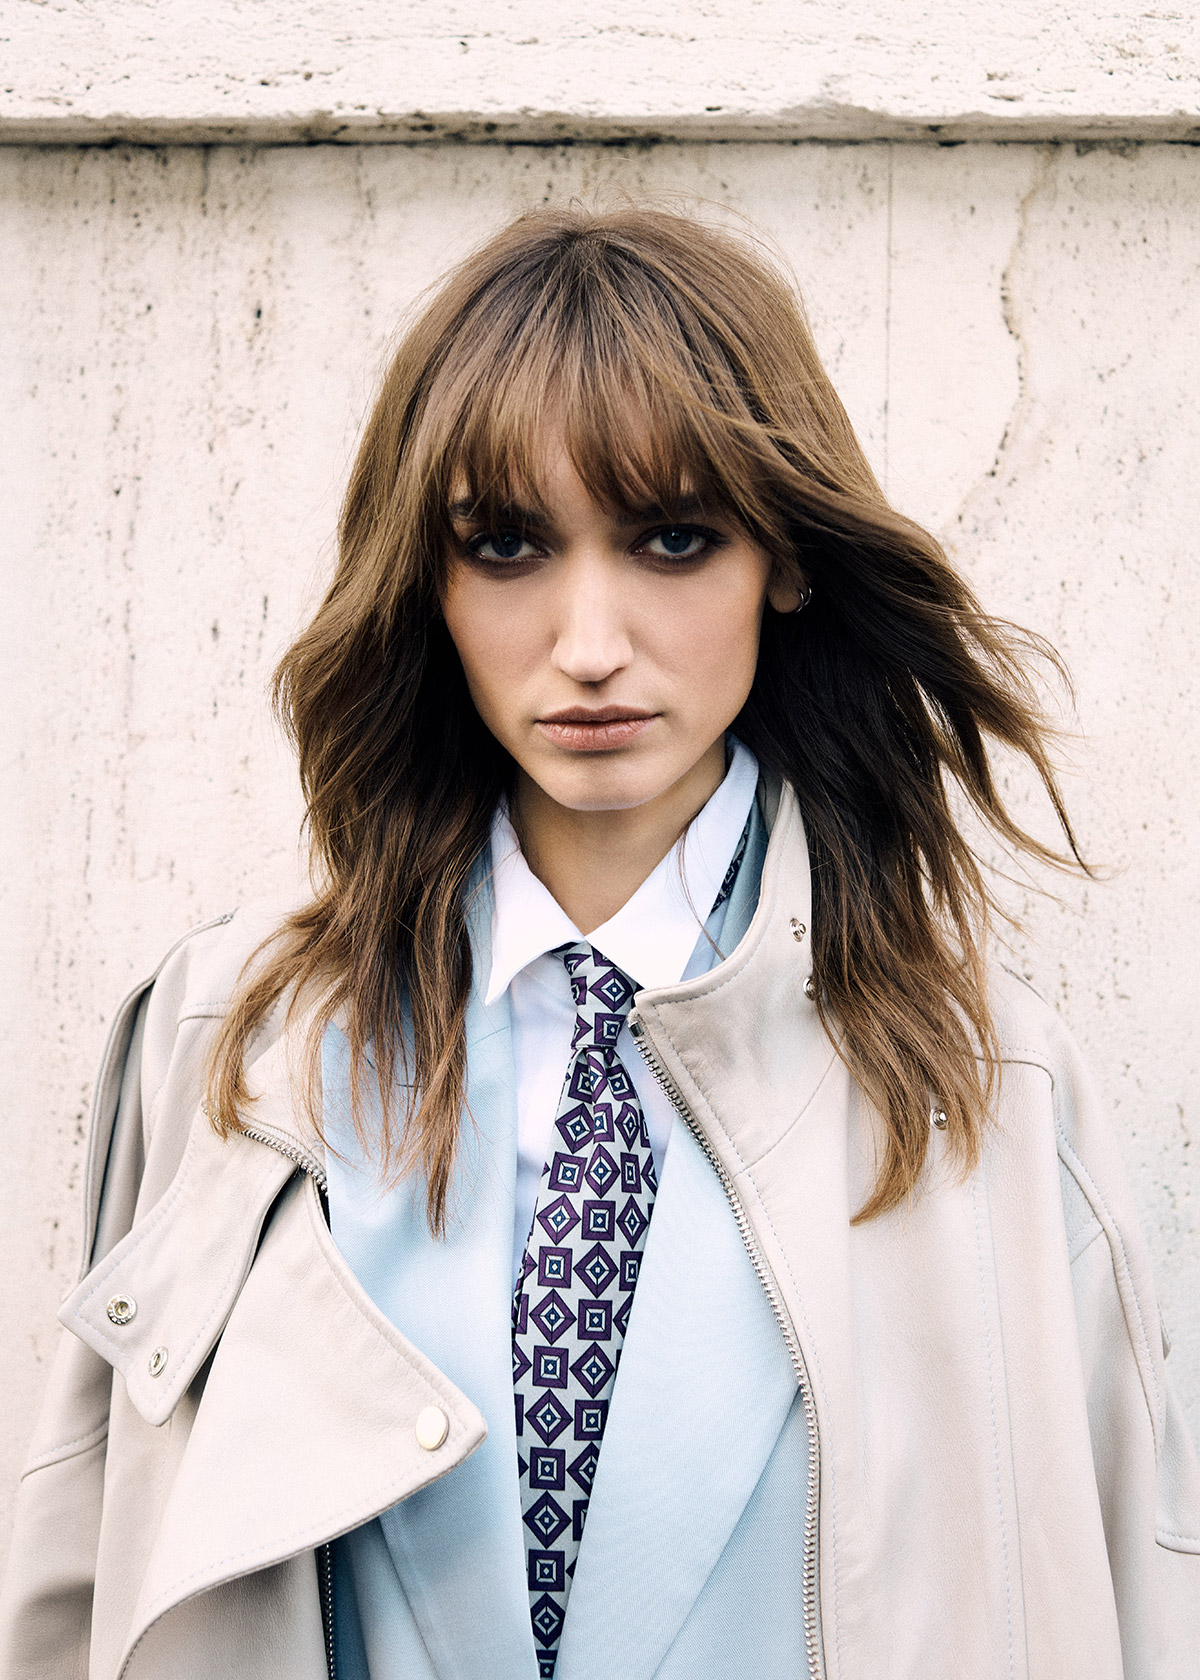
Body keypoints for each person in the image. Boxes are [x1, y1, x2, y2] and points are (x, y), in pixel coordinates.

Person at [1, 204, 1197, 1680]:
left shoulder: (985, 1089)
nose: (587, 641)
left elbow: (1134, 1606)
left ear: (788, 559)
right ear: (427, 581)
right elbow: (77, 1571)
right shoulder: (231, 1043)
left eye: (672, 538)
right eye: (506, 546)